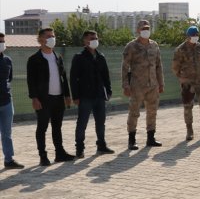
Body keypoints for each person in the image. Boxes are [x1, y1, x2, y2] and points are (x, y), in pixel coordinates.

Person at [27, 28, 75, 166]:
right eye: (49, 36)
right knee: (42, 127)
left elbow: (63, 77)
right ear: (41, 39)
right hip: (43, 99)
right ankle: (43, 156)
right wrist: (34, 98)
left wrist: (67, 95)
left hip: (58, 98)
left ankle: (60, 153)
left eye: (53, 36)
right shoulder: (34, 59)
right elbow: (31, 81)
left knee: (57, 127)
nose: (52, 38)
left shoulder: (57, 57)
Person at [70, 30, 114, 158]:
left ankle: (101, 145)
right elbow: (73, 78)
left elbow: (106, 76)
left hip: (99, 95)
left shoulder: (101, 57)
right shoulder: (79, 57)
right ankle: (79, 148)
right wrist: (76, 96)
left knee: (101, 122)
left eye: (96, 38)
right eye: (91, 38)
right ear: (85, 41)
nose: (94, 40)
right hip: (85, 96)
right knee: (82, 123)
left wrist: (108, 90)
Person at [122, 20, 164, 149]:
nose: (146, 30)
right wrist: (125, 85)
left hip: (153, 85)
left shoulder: (154, 45)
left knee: (152, 111)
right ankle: (132, 140)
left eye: (148, 28)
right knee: (134, 112)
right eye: (143, 28)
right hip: (137, 85)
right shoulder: (131, 46)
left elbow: (158, 65)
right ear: (138, 31)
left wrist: (161, 83)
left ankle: (150, 138)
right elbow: (125, 67)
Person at [172, 26, 200, 141]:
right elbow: (175, 67)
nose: (195, 37)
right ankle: (189, 131)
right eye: (193, 35)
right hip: (187, 82)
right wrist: (182, 79)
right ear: (188, 36)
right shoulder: (180, 49)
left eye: (197, 35)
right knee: (188, 106)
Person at [0, 32, 22, 169]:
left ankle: (9, 160)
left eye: (3, 41)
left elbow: (10, 78)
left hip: (7, 102)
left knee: (7, 133)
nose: (2, 44)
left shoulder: (8, 60)